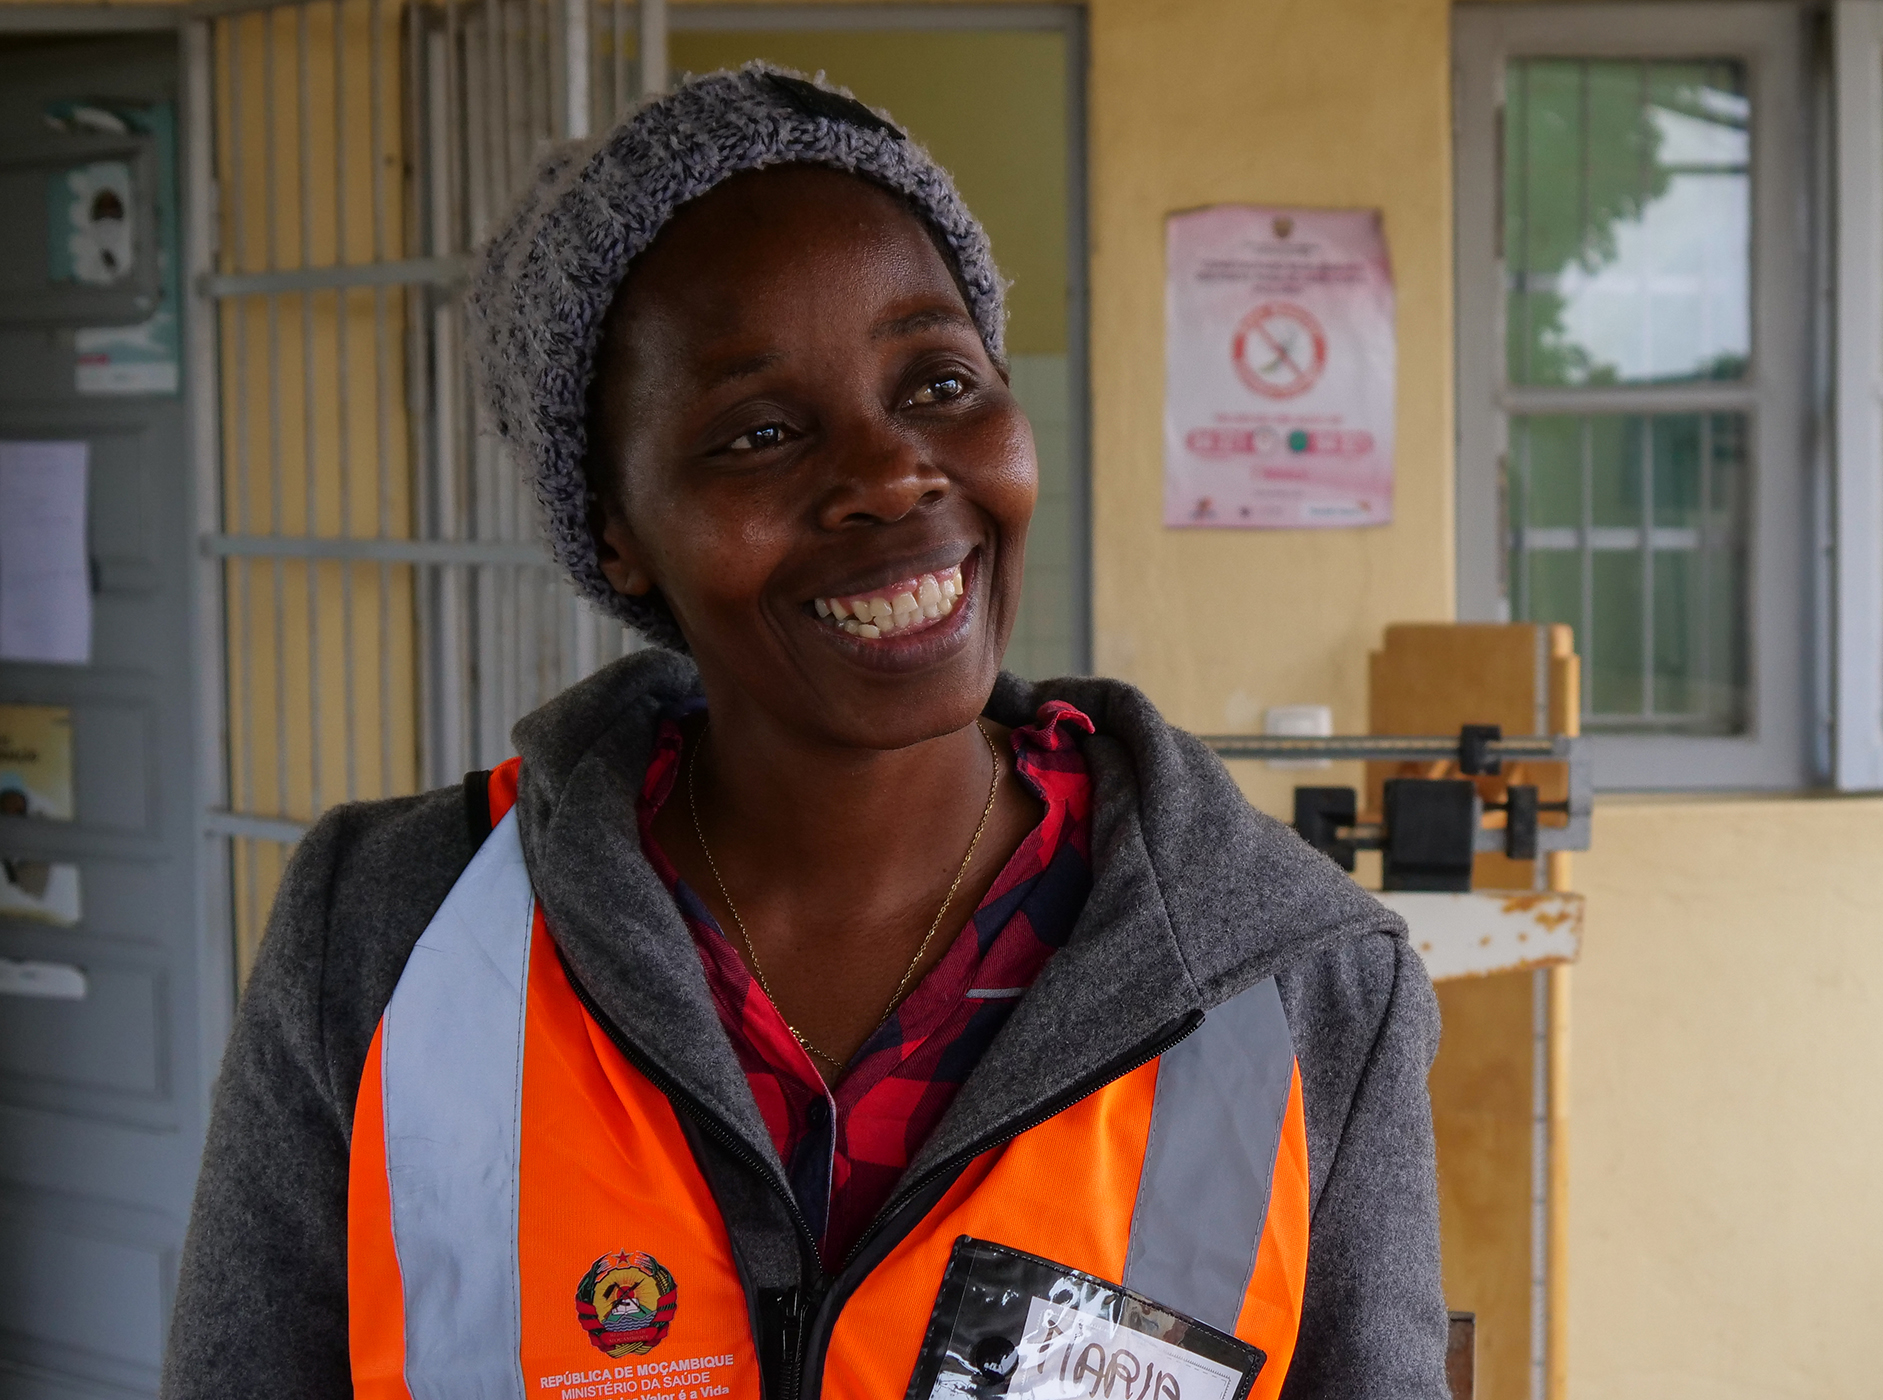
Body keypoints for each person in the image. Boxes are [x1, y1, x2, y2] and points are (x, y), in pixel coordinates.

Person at [164, 66, 1446, 1400]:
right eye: (760, 431)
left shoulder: (1301, 985)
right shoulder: (389, 932)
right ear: (618, 532)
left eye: (939, 381)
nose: (893, 470)